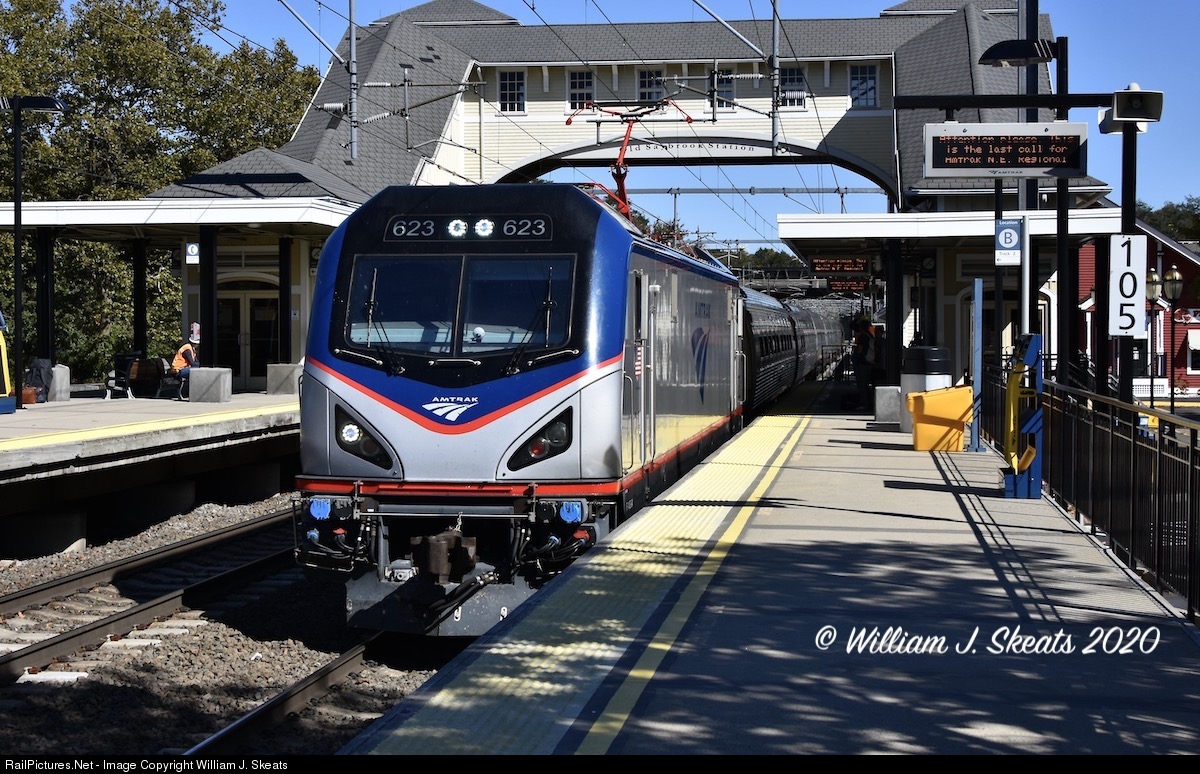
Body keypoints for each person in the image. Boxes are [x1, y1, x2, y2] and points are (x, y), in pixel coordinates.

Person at [172, 324, 200, 399]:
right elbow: (192, 363)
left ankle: (190, 393)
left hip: (184, 369)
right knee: (197, 371)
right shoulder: (187, 349)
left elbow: (195, 362)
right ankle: (187, 393)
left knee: (198, 370)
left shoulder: (192, 349)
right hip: (178, 371)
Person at [851, 318, 874, 410]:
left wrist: (856, 350)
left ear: (861, 328)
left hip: (863, 363)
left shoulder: (863, 337)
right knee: (866, 384)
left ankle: (864, 404)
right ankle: (868, 402)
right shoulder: (870, 335)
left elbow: (860, 350)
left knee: (862, 384)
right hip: (869, 362)